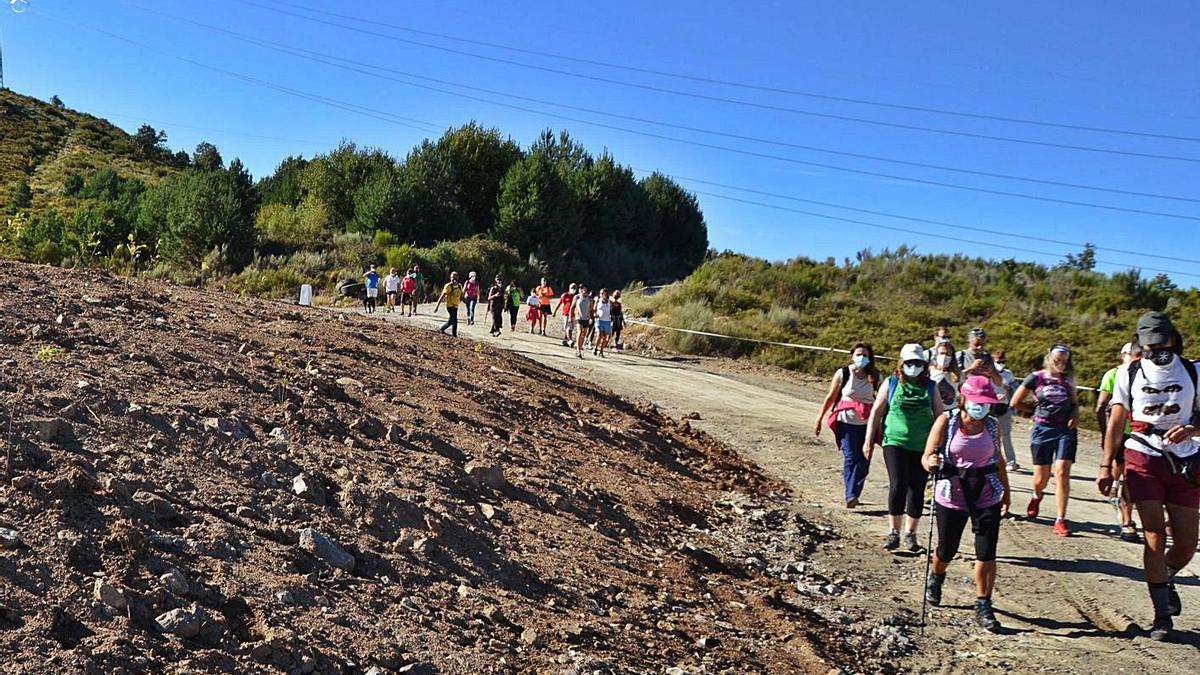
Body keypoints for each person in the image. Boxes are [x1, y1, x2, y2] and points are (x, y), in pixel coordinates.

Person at [1098, 312, 1199, 641]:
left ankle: (1166, 577)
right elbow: (1115, 420)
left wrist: (1193, 428)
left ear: (1173, 339)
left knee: (1187, 542)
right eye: (1148, 344)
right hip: (1142, 454)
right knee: (1154, 534)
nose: (1155, 348)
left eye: (1161, 341)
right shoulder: (1130, 372)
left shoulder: (1194, 371)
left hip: (1185, 458)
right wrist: (1105, 463)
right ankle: (1161, 616)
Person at [921, 376, 1011, 632]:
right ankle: (937, 576)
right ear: (964, 399)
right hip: (951, 493)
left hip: (986, 493)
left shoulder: (992, 425)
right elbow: (927, 455)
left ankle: (983, 603)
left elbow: (999, 460)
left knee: (987, 551)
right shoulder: (947, 422)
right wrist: (931, 463)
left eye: (986, 402)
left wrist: (1006, 492)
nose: (981, 407)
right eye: (976, 401)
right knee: (947, 549)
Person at [866, 343, 944, 552]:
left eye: (917, 363)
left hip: (922, 446)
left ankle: (911, 534)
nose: (913, 366)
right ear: (901, 363)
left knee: (917, 489)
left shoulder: (930, 387)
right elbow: (876, 411)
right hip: (895, 442)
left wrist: (939, 445)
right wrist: (868, 440)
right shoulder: (891, 383)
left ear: (924, 364)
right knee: (898, 484)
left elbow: (940, 416)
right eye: (909, 362)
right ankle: (894, 532)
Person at [1010, 344, 1078, 536]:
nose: (1062, 364)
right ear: (1049, 358)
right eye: (1058, 360)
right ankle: (1037, 494)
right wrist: (1034, 411)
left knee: (1062, 472)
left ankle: (1060, 519)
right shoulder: (1036, 377)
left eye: (1065, 361)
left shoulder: (1068, 380)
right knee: (1042, 478)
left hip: (1065, 429)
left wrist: (1075, 414)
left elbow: (1074, 404)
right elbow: (1015, 402)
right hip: (1042, 428)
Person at [814, 343, 882, 508]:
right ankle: (850, 494)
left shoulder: (876, 376)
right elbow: (831, 397)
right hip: (846, 422)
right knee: (852, 457)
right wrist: (819, 418)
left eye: (865, 355)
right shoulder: (843, 373)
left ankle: (853, 493)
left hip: (867, 425)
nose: (862, 358)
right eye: (858, 354)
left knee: (864, 461)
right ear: (852, 356)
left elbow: (883, 400)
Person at [1096, 342, 1144, 543]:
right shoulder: (1115, 374)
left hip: (1141, 434)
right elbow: (1101, 405)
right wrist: (1105, 433)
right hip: (1122, 432)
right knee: (1126, 474)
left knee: (1129, 476)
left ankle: (1127, 516)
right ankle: (1127, 520)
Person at [991, 349, 1019, 471]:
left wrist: (1010, 387)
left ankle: (1011, 461)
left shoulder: (1008, 374)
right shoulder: (989, 374)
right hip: (991, 408)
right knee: (991, 436)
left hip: (1004, 408)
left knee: (1006, 436)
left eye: (1003, 361)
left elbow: (1016, 388)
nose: (1001, 363)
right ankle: (992, 459)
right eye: (998, 361)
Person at [929, 340, 960, 408]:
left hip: (952, 412)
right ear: (936, 355)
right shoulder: (929, 372)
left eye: (947, 354)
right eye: (941, 353)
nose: (944, 357)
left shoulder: (957, 374)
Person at [434, 271, 464, 337]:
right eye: (451, 277)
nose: (453, 279)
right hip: (450, 305)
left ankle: (441, 329)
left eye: (454, 277)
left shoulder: (459, 286)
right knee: (455, 320)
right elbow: (442, 296)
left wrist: (462, 300)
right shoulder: (448, 286)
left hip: (456, 305)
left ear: (457, 278)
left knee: (451, 321)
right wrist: (437, 306)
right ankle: (454, 335)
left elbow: (461, 295)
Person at [572, 285, 594, 359]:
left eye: (584, 288)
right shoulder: (577, 297)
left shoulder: (589, 298)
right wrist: (570, 316)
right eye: (581, 289)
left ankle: (580, 347)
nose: (583, 290)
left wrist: (591, 318)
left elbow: (591, 309)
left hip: (586, 318)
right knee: (580, 332)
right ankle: (578, 350)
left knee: (584, 334)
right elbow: (572, 307)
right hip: (579, 317)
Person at [594, 289, 614, 357]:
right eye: (601, 293)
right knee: (599, 335)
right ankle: (596, 348)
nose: (603, 295)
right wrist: (595, 314)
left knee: (605, 337)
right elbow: (594, 310)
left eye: (604, 294)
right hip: (599, 320)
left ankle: (601, 351)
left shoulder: (610, 302)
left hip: (607, 321)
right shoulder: (598, 301)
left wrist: (612, 316)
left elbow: (611, 311)